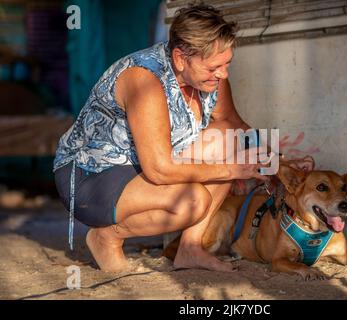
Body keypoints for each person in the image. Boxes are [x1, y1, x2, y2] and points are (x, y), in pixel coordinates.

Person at [53, 4, 314, 273]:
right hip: (91, 175)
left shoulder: (210, 78)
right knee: (193, 201)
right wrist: (232, 169)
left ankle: (190, 249)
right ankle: (107, 236)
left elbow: (235, 125)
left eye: (227, 64)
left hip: (141, 165)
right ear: (180, 58)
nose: (222, 73)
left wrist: (280, 164)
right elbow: (159, 170)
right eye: (214, 67)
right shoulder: (145, 80)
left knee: (230, 138)